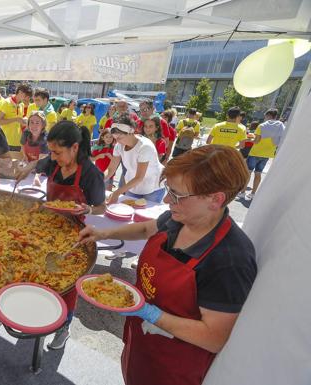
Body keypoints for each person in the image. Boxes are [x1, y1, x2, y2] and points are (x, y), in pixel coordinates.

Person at [79, 145, 257, 385]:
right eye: (168, 190)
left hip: (173, 365)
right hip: (142, 340)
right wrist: (102, 233)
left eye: (177, 195)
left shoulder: (230, 260)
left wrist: (150, 313)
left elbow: (213, 337)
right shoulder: (178, 218)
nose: (166, 199)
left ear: (216, 199)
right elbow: (145, 229)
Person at [16, 120, 106, 349]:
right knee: (36, 271)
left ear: (74, 147)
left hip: (73, 234)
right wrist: (26, 168)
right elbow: (39, 163)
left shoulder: (91, 174)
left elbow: (101, 208)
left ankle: (63, 327)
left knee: (65, 283)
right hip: (45, 226)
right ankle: (38, 315)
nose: (53, 157)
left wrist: (87, 209)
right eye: (51, 152)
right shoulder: (53, 161)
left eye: (57, 152)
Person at [105, 113, 165, 204]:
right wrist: (99, 180)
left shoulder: (145, 147)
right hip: (133, 185)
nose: (116, 142)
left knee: (145, 215)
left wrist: (117, 192)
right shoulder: (119, 145)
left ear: (130, 132)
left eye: (120, 137)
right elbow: (111, 169)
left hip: (153, 186)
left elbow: (139, 177)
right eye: (115, 138)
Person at [245, 108, 286, 201]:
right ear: (275, 116)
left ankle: (242, 192)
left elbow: (256, 141)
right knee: (258, 174)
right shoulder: (281, 126)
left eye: (265, 116)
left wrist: (247, 140)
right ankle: (253, 193)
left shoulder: (262, 126)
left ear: (268, 116)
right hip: (267, 154)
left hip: (255, 152)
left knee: (248, 172)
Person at [0, 83, 31, 151]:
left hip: (18, 142)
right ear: (20, 92)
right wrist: (15, 119)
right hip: (6, 142)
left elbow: (19, 124)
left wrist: (25, 122)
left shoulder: (21, 105)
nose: (26, 99)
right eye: (26, 96)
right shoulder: (6, 103)